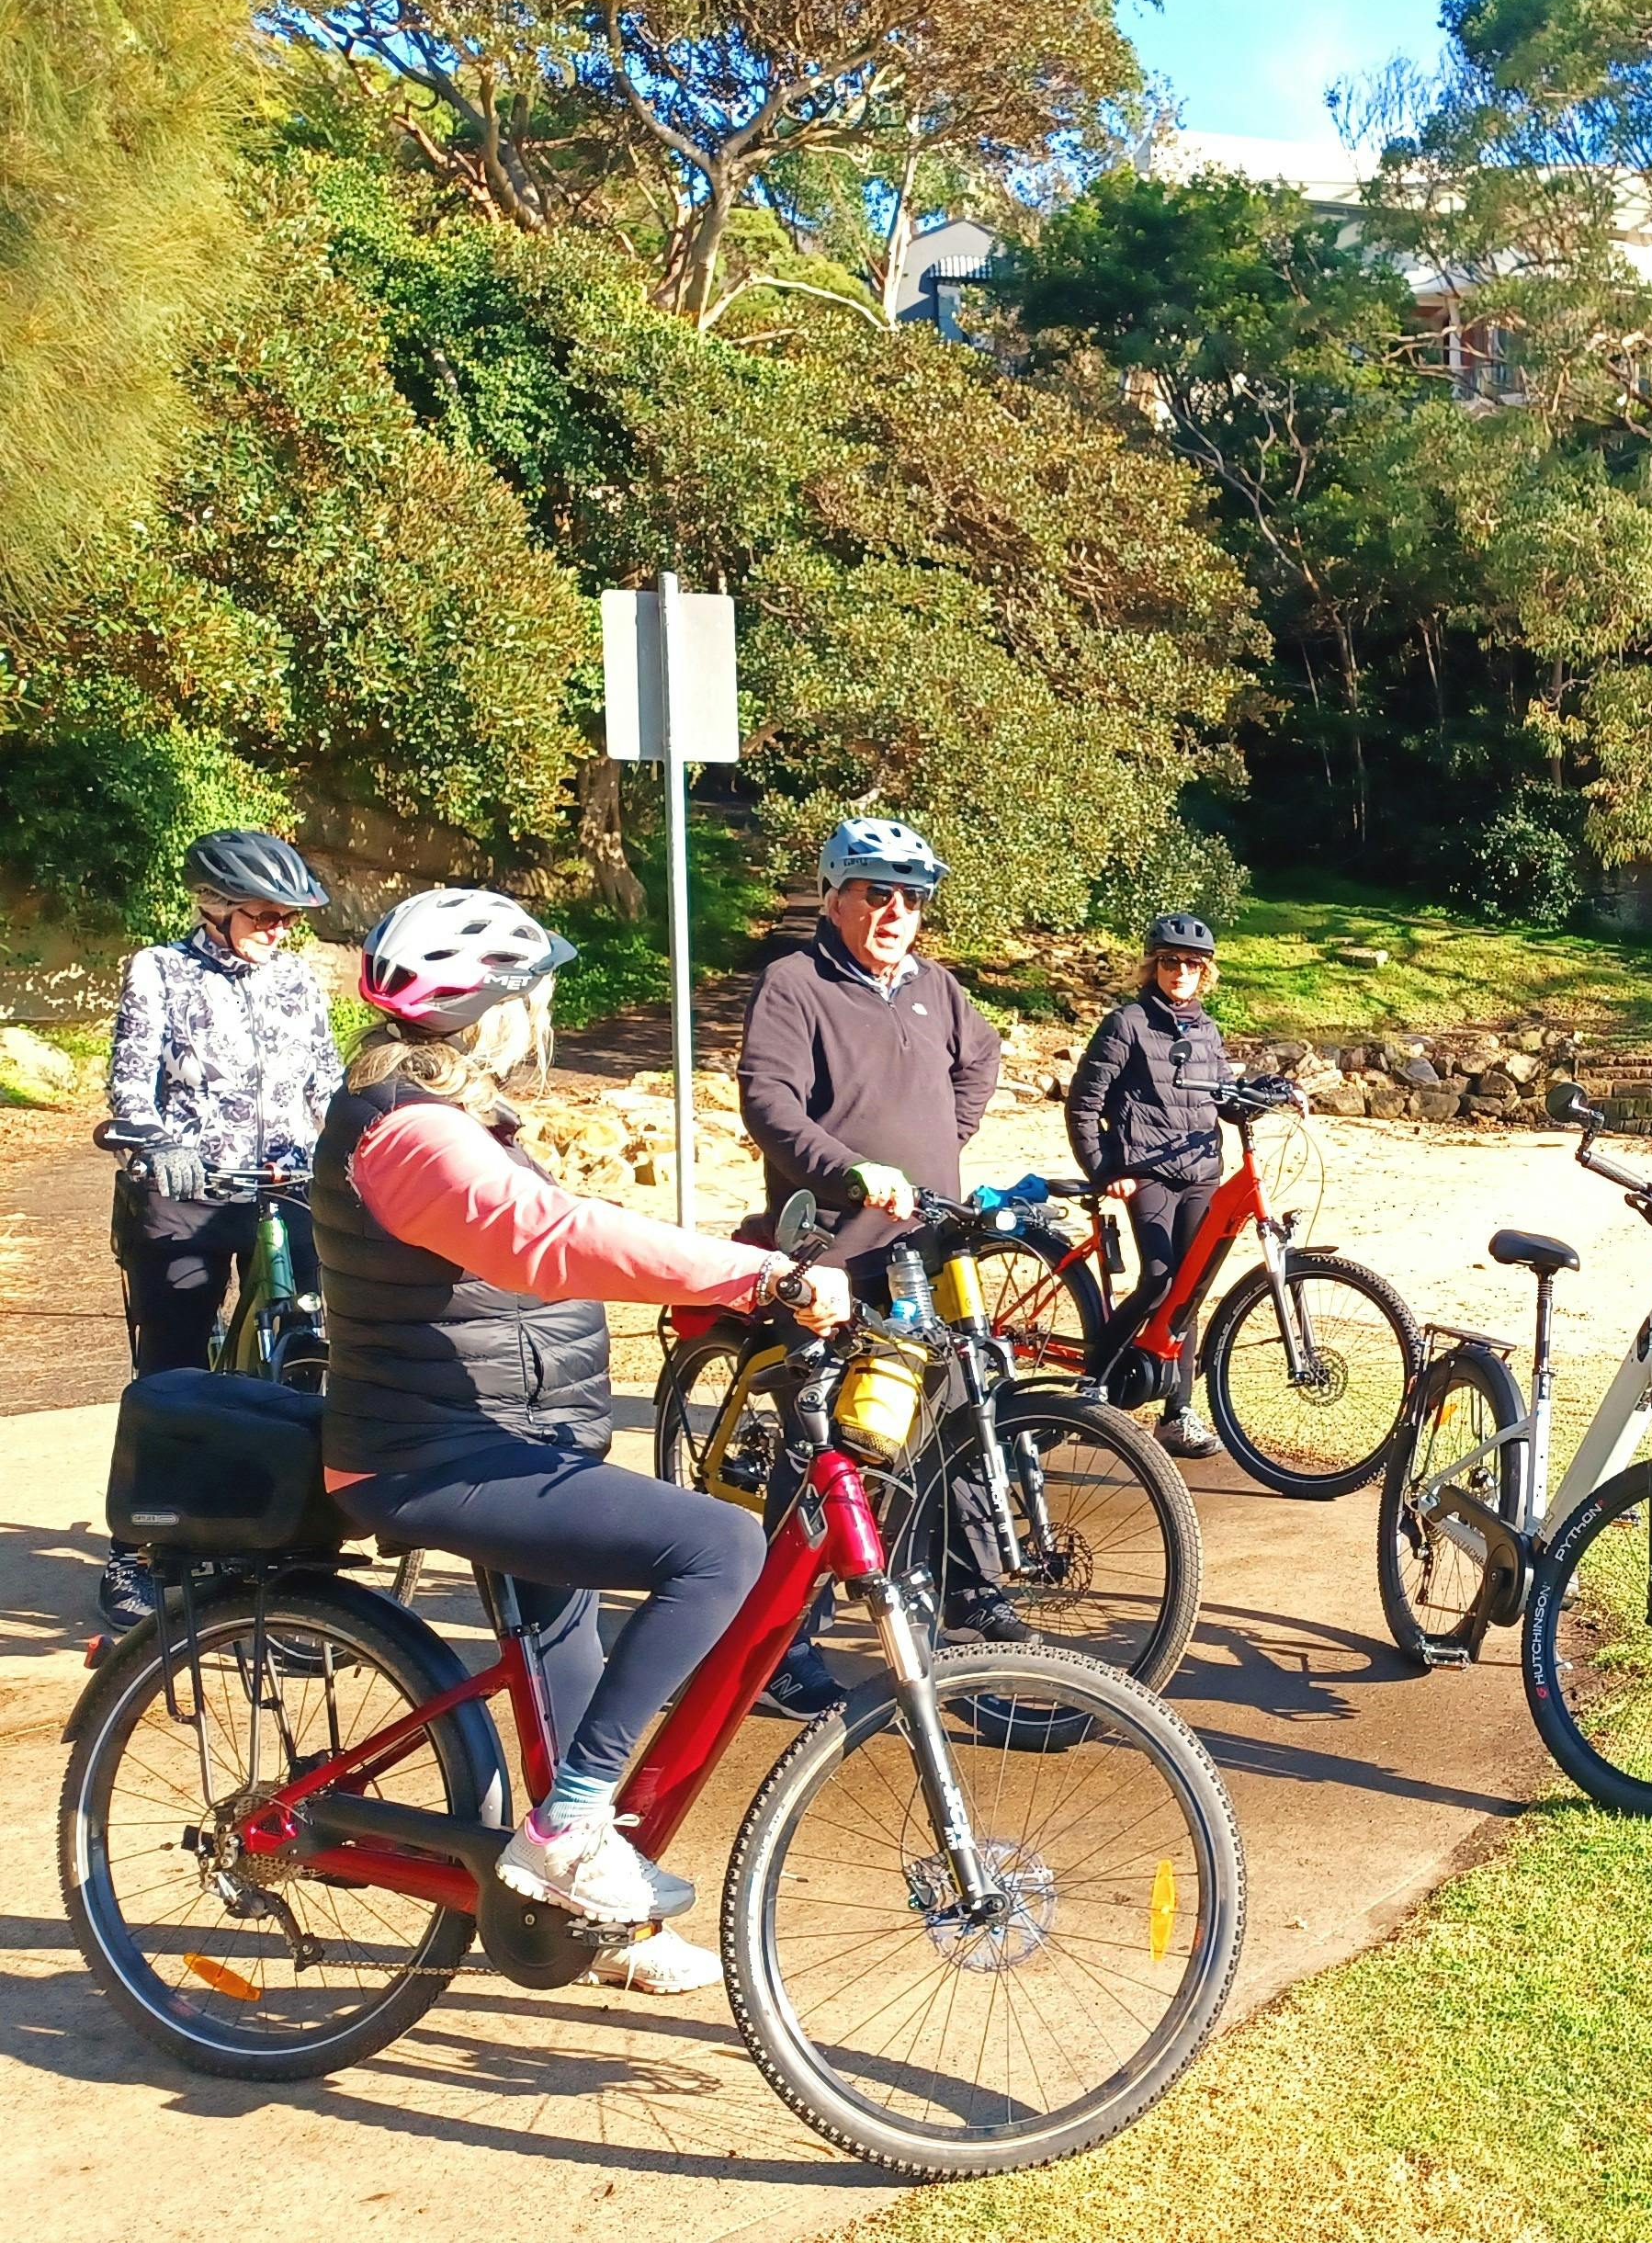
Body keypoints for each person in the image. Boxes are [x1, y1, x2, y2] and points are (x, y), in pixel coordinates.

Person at [316, 887, 853, 1997]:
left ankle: (600, 1898)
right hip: (433, 1456)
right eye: (536, 1000)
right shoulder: (413, 1133)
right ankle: (565, 1831)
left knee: (578, 1674)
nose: (544, 1021)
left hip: (502, 1438)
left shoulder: (440, 1112)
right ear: (492, 1013)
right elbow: (543, 1242)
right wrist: (755, 1272)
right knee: (716, 1549)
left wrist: (722, 1284)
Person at [736, 816, 1021, 1712]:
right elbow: (767, 1098)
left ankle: (972, 1590)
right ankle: (782, 1644)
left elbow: (980, 1061)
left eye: (911, 896)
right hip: (828, 1244)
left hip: (924, 1242)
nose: (896, 911)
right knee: (828, 1439)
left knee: (949, 1411)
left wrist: (944, 1144)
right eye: (876, 892)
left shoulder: (935, 986)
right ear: (836, 894)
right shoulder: (793, 983)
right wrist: (850, 1168)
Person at [95, 830, 340, 1631]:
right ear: (216, 908)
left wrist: (358, 1142)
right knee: (169, 1364)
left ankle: (285, 1526)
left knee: (308, 1339)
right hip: (188, 1190)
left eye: (288, 919)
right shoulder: (160, 972)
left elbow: (329, 1084)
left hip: (287, 1186)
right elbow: (130, 1083)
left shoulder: (300, 978)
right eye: (265, 916)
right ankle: (134, 1547)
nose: (280, 931)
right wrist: (155, 1143)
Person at [1064, 912, 1229, 1460]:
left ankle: (1178, 1414)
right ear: (1152, 966)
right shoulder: (1126, 1024)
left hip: (1201, 1171)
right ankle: (1093, 1388)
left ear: (1205, 972)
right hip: (1147, 1173)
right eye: (1169, 961)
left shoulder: (1205, 1028)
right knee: (1161, 1281)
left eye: (1190, 964)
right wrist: (1107, 1171)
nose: (1180, 971)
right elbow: (1084, 1104)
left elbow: (1222, 1094)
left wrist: (1269, 1090)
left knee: (1193, 1291)